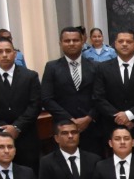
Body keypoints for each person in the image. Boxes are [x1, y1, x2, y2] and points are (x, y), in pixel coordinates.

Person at [0, 39, 43, 174]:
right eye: (0, 51)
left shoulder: (30, 76)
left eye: (8, 51)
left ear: (15, 54)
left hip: (26, 137)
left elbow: (35, 105)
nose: (4, 55)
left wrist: (16, 127)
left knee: (30, 178)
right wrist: (4, 130)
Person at [93, 29, 134, 161]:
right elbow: (98, 98)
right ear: (114, 44)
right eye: (121, 41)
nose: (124, 44)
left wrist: (129, 115)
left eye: (129, 41)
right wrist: (119, 117)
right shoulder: (103, 68)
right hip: (111, 130)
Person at [41, 26, 100, 156]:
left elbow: (100, 96)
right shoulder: (51, 67)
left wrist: (89, 118)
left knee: (93, 168)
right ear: (60, 43)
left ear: (83, 42)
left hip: (91, 127)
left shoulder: (95, 66)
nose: (72, 43)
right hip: (63, 128)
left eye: (75, 40)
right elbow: (46, 98)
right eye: (67, 41)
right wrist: (69, 120)